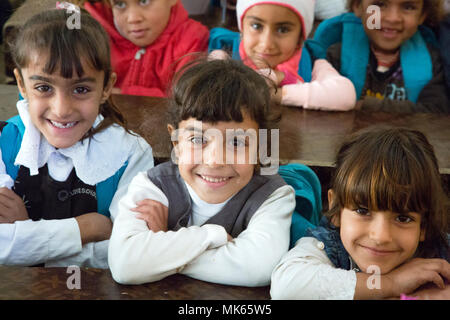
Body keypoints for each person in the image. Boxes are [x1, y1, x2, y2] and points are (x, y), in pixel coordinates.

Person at [108, 58, 296, 286]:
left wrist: (161, 247)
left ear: (260, 147)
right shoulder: (151, 186)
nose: (215, 160)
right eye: (197, 139)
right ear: (176, 141)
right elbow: (125, 264)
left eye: (237, 142)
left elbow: (257, 268)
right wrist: (212, 237)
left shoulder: (273, 195)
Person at [0, 8, 154, 268]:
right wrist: (85, 229)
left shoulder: (131, 153)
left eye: (81, 89)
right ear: (22, 84)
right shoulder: (3, 140)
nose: (62, 109)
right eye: (43, 87)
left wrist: (26, 235)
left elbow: (128, 254)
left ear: (106, 87)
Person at [270, 126, 450, 299]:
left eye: (403, 218)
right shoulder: (328, 245)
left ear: (424, 225)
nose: (380, 236)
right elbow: (286, 285)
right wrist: (390, 283)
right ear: (337, 210)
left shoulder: (440, 251)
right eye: (362, 211)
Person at [208, 0, 357, 111]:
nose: (266, 44)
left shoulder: (310, 60)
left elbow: (346, 95)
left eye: (283, 30)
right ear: (242, 28)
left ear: (300, 36)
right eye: (256, 26)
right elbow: (212, 92)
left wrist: (276, 94)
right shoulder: (225, 54)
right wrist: (270, 77)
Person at [309, 0, 449, 113]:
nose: (393, 18)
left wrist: (366, 105)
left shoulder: (431, 61)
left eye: (408, 7)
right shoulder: (336, 55)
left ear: (422, 15)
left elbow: (435, 111)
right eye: (380, 4)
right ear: (358, 6)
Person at [81, 0, 209, 97]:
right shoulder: (96, 36)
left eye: (144, 1)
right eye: (120, 4)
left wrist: (120, 93)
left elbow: (184, 100)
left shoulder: (193, 38)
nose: (133, 18)